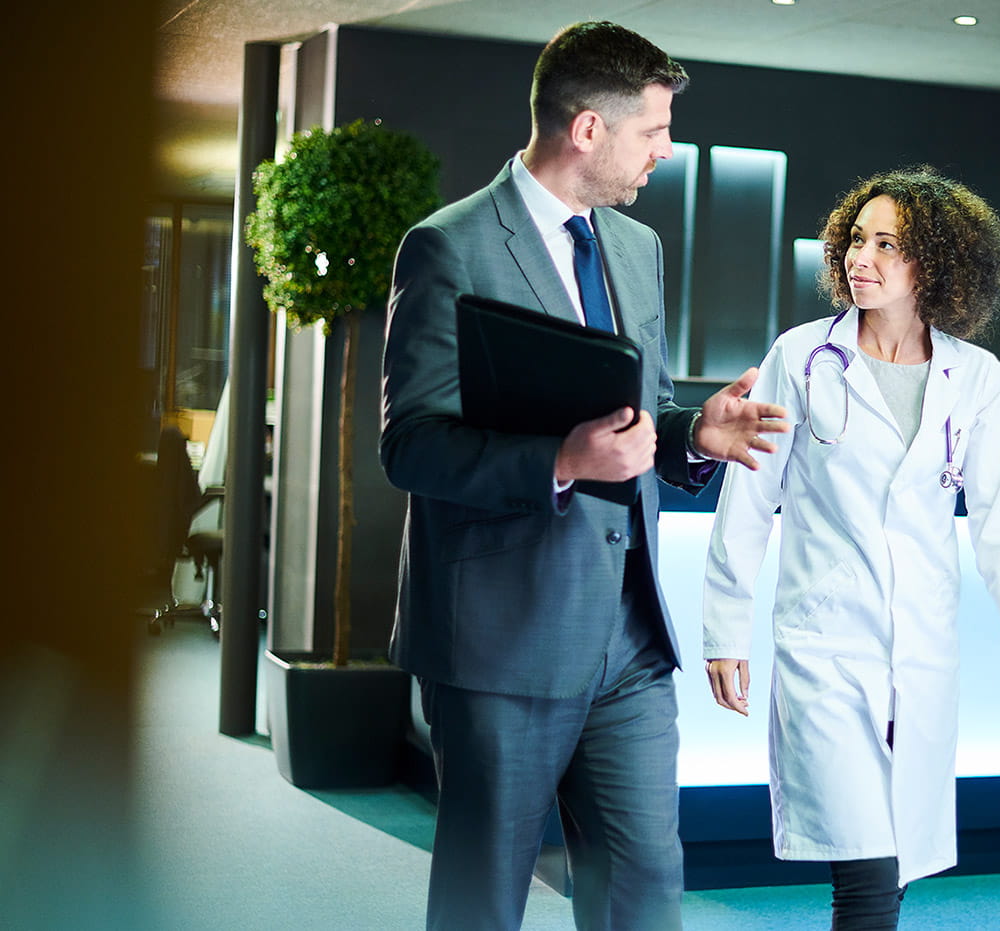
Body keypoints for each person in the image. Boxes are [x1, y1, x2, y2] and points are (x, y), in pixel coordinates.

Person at [379, 21, 789, 931]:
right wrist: (561, 460)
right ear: (589, 130)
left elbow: (635, 419)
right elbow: (411, 444)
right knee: (484, 898)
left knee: (647, 887)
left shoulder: (637, 249)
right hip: (501, 641)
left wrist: (693, 433)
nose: (666, 149)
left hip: (630, 641)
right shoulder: (447, 247)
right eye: (653, 131)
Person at [702, 166, 1000, 929]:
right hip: (825, 648)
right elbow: (749, 501)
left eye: (888, 244)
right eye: (857, 239)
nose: (861, 258)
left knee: (894, 866)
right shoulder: (801, 358)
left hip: (920, 653)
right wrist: (725, 628)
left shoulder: (979, 381)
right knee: (866, 874)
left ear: (935, 261)